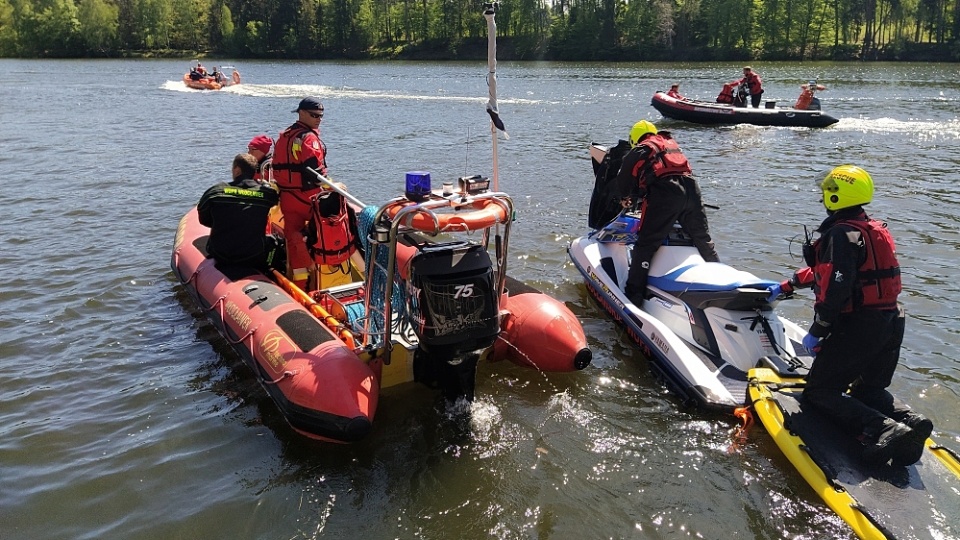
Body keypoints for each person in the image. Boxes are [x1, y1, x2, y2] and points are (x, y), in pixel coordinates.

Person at [766, 165, 932, 467]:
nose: (822, 195)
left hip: (860, 325)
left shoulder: (840, 234)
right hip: (891, 320)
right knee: (867, 388)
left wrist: (819, 328)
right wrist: (788, 284)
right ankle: (912, 421)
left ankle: (883, 429)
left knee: (819, 391)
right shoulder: (869, 229)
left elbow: (836, 286)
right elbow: (843, 273)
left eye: (825, 191)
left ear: (835, 195)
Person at [612, 120, 719, 305]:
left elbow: (625, 174)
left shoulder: (641, 149)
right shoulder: (669, 144)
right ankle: (720, 280)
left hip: (667, 194)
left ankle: (633, 296)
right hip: (692, 190)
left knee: (645, 245)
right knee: (703, 240)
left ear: (635, 139)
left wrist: (624, 197)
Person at [271, 96, 329, 289]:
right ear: (301, 113)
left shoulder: (284, 136)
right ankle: (322, 273)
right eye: (314, 115)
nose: (318, 119)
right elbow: (315, 173)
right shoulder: (309, 139)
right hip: (308, 197)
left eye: (320, 116)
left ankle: (301, 284)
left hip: (287, 197)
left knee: (293, 235)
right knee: (326, 232)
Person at [197, 153, 280, 268]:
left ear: (237, 170)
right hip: (253, 255)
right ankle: (270, 271)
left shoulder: (215, 192)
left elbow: (204, 220)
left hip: (220, 254)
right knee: (274, 241)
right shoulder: (267, 195)